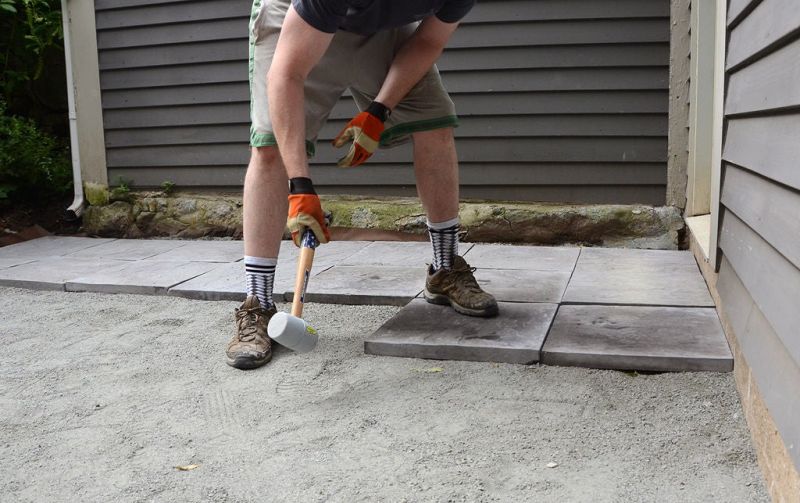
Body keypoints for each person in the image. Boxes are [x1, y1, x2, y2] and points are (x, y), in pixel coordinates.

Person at [227, 0, 499, 370]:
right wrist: (300, 185)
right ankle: (257, 303)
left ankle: (444, 267)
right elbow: (286, 74)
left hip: (380, 26)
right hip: (297, 23)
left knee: (435, 122)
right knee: (270, 146)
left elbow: (427, 42)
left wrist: (379, 110)